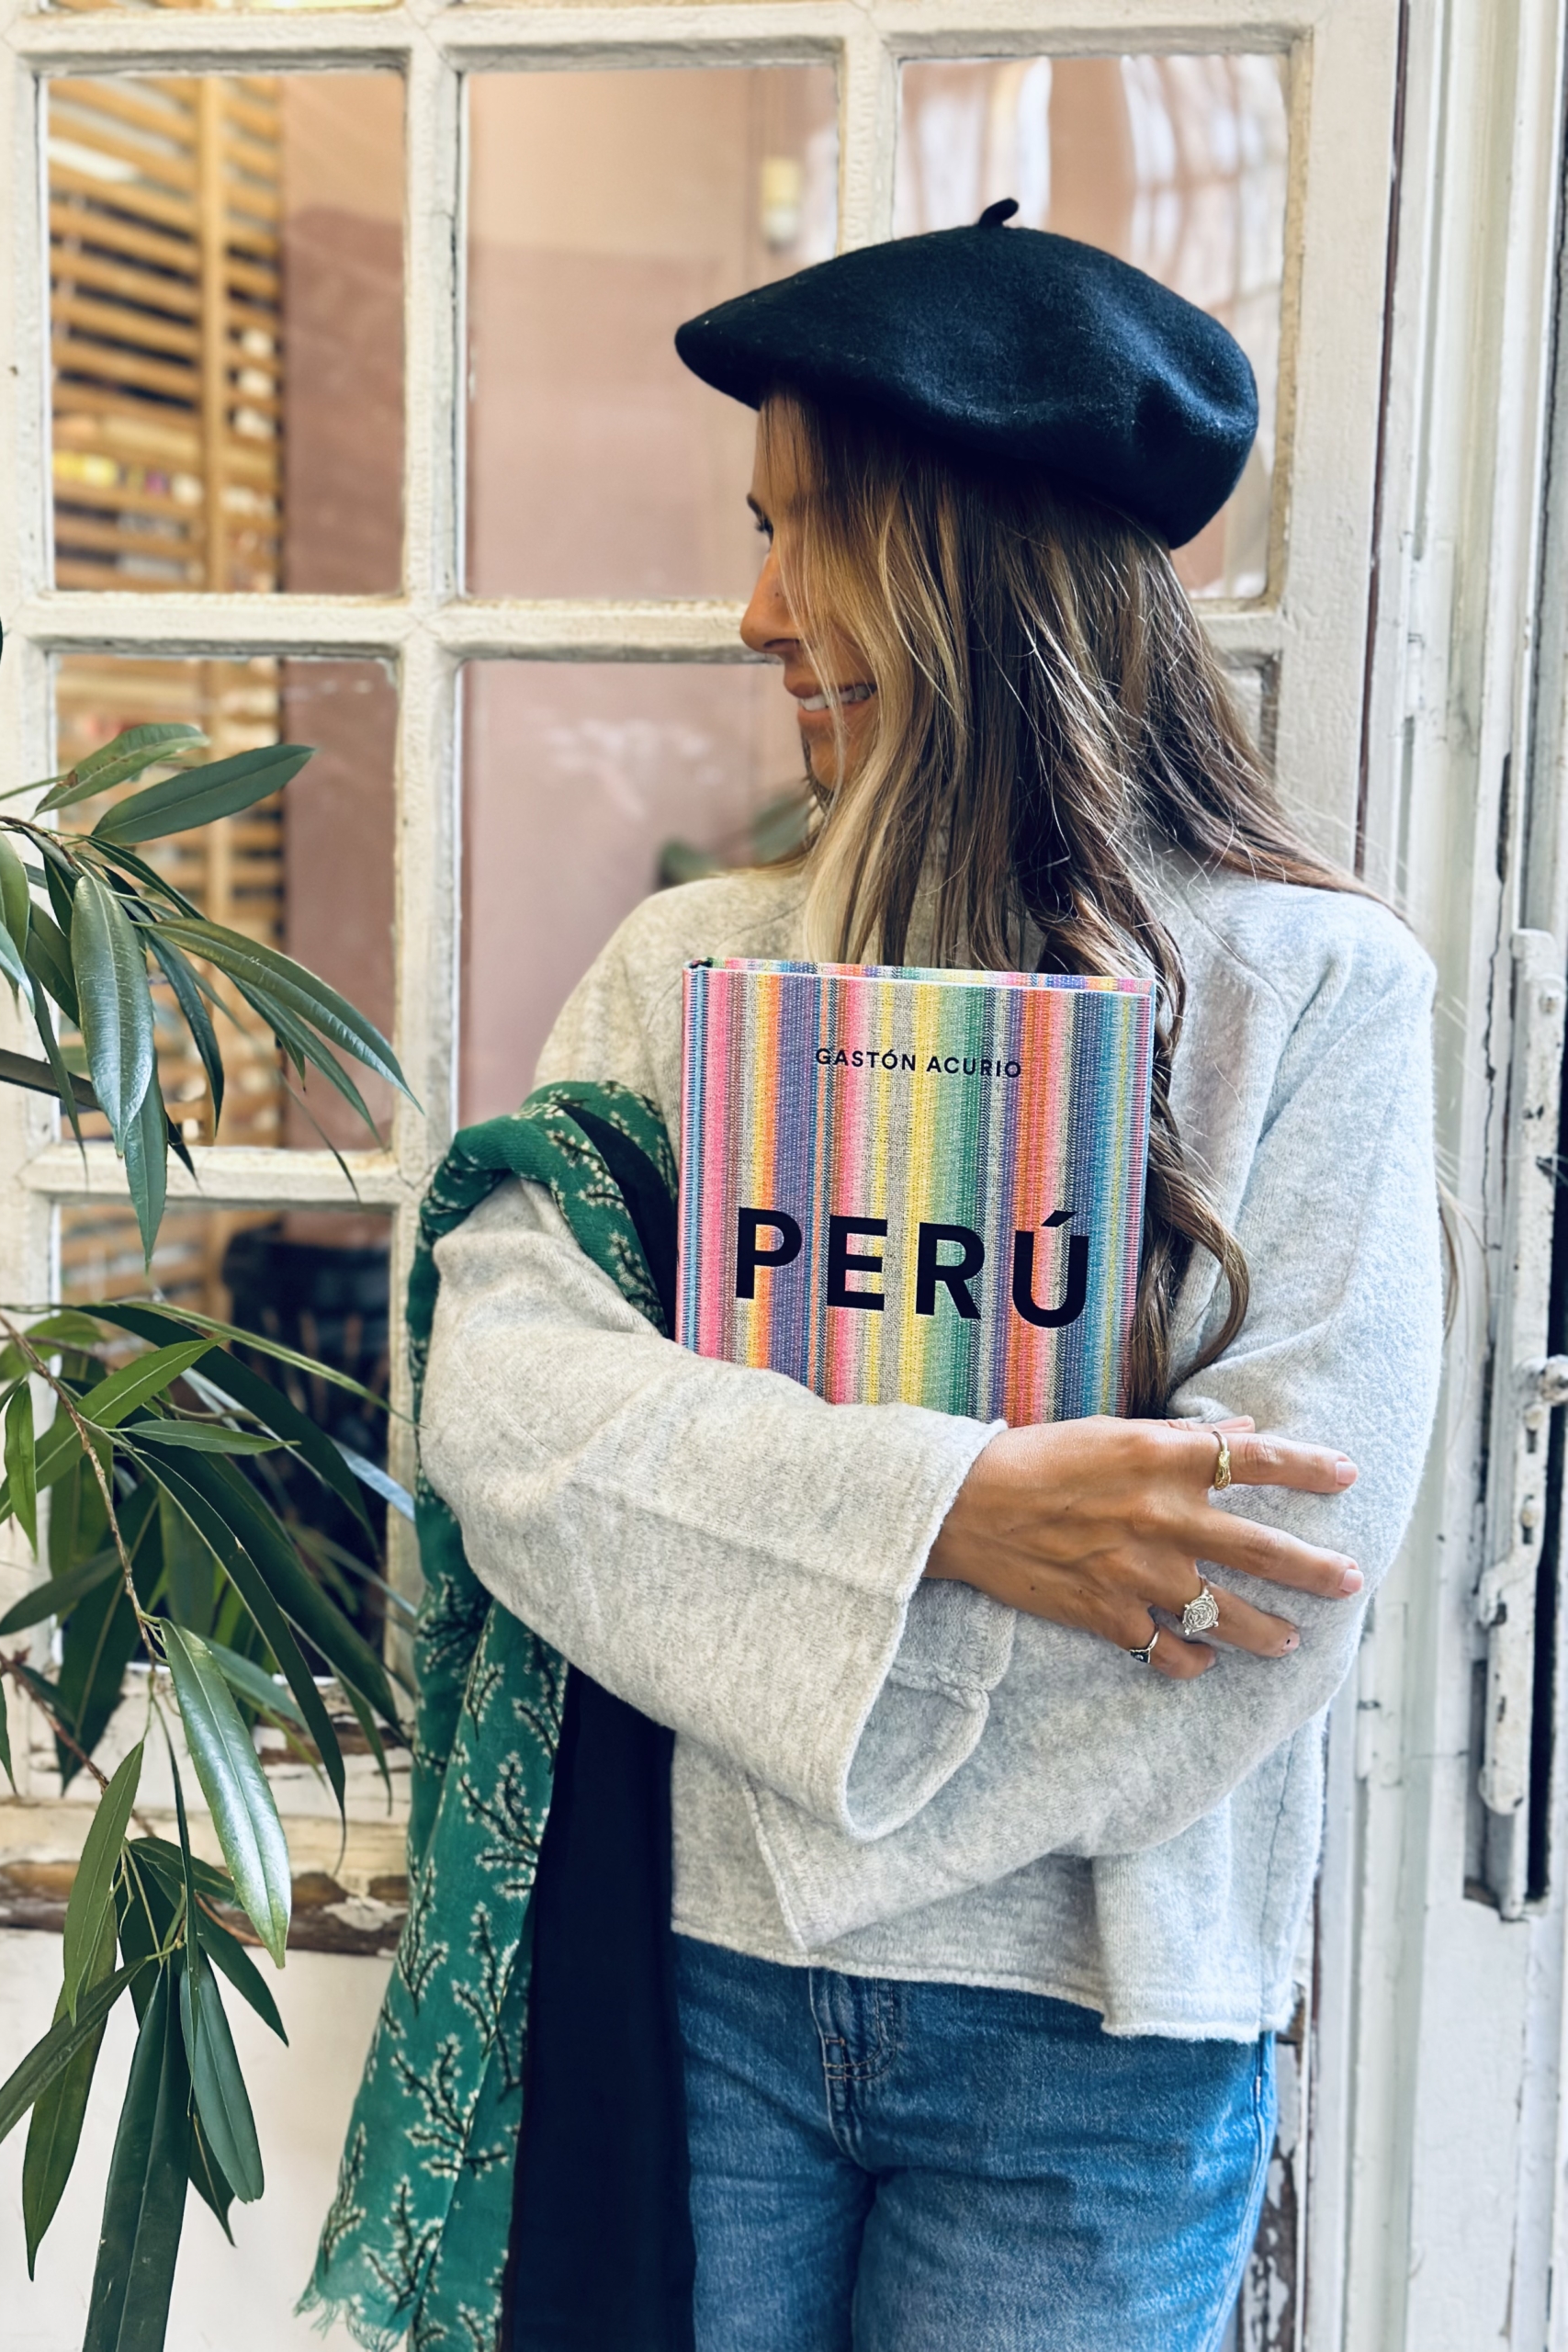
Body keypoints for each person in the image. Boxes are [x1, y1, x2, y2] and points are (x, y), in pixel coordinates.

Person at [329, 209, 1443, 2352]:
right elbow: (507, 1416)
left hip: (1102, 2030)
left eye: (803, 533)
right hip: (702, 1982)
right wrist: (961, 1512)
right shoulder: (689, 967)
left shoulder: (1318, 992)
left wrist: (754, 1597)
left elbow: (1267, 1575)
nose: (755, 611)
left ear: (972, 557)